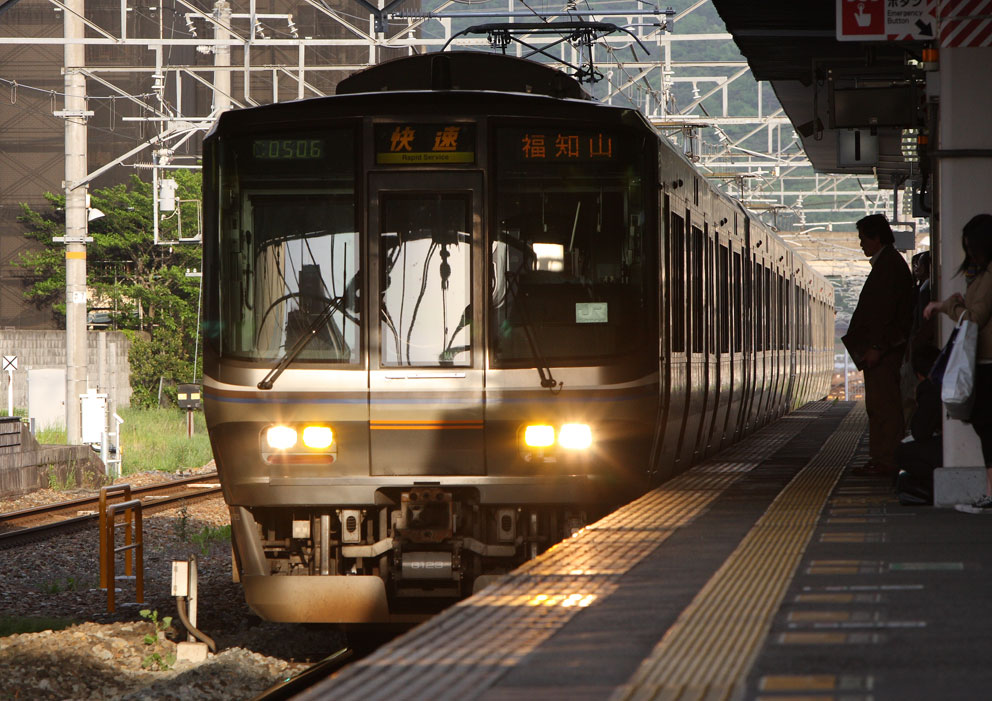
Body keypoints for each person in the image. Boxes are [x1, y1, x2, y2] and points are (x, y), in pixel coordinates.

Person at [924, 213, 992, 513]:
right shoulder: (983, 274)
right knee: (985, 426)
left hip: (989, 362)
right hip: (984, 361)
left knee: (987, 427)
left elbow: (976, 318)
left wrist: (947, 306)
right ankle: (990, 492)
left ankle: (991, 493)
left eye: (971, 247)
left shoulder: (990, 276)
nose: (969, 254)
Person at [842, 213, 916, 476]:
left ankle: (887, 460)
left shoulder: (889, 267)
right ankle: (881, 457)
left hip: (883, 352)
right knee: (878, 405)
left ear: (876, 237)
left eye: (863, 238)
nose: (861, 244)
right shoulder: (888, 264)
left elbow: (886, 314)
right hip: (882, 350)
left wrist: (876, 346)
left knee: (884, 406)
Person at [895, 344, 943, 505]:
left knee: (902, 452)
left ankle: (931, 489)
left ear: (919, 374)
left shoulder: (930, 388)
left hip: (950, 452)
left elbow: (920, 431)